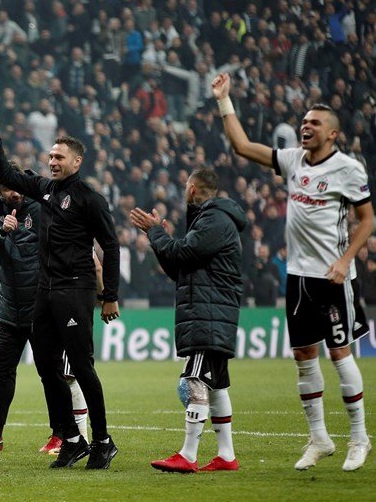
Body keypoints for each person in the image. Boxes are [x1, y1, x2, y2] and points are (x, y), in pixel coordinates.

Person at [212, 72, 373, 471]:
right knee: (303, 356)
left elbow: (367, 220)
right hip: (299, 278)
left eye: (314, 123)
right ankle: (319, 438)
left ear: (332, 134)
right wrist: (224, 100)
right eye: (303, 121)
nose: (305, 126)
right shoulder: (293, 160)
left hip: (334, 278)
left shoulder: (348, 170)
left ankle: (358, 438)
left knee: (339, 354)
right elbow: (242, 145)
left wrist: (345, 259)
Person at [0, 100, 121, 470]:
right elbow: (8, 175)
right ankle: (73, 438)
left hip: (76, 291)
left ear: (77, 162)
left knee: (81, 367)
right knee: (47, 367)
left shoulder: (90, 198)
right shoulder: (44, 190)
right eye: (51, 156)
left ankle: (103, 440)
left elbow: (110, 244)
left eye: (60, 157)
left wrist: (109, 295)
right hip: (45, 293)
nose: (53, 161)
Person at [0, 164, 90, 453]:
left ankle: (61, 433)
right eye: (8, 189)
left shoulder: (41, 204)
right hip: (10, 305)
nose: (14, 193)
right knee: (3, 371)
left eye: (17, 187)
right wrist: (0, 232)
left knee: (50, 372)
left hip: (40, 305)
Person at [129, 168, 246, 473]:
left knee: (194, 380)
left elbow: (183, 253)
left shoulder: (214, 220)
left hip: (209, 313)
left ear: (192, 189)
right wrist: (157, 238)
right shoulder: (210, 221)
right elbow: (182, 269)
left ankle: (188, 455)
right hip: (210, 310)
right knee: (217, 387)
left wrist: (157, 233)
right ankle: (226, 455)